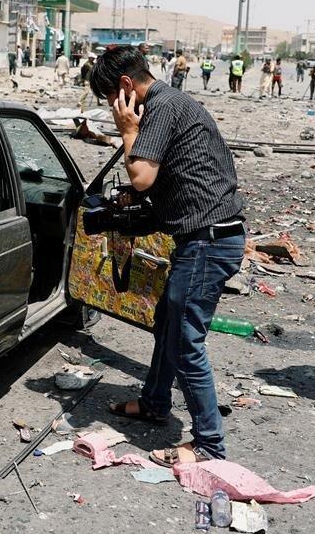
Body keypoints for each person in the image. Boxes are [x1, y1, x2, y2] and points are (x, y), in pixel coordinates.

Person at [89, 45, 246, 465]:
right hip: (204, 237)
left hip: (208, 241)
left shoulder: (161, 105)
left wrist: (126, 129)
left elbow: (141, 176)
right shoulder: (170, 103)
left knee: (184, 342)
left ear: (126, 86)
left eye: (111, 102)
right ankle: (156, 402)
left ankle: (209, 443)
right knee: (167, 325)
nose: (114, 110)